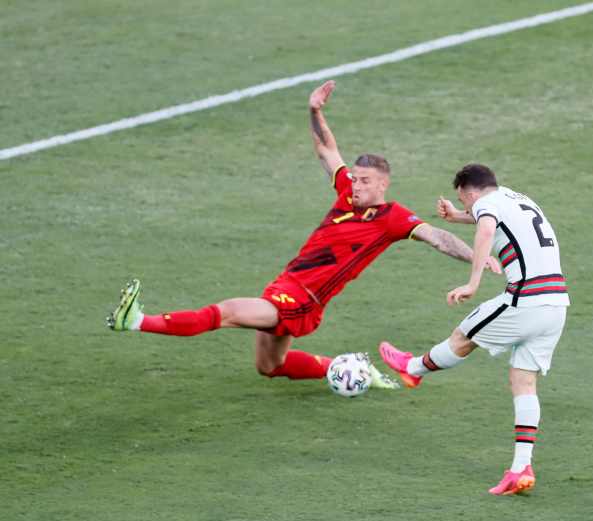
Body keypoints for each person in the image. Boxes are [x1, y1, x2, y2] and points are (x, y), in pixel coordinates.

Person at [107, 81, 499, 389]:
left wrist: (478, 260)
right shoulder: (346, 191)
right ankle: (351, 370)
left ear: (383, 184)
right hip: (286, 285)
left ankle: (138, 320)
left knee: (224, 313)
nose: (356, 184)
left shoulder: (392, 218)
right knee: (269, 367)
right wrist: (314, 111)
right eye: (356, 178)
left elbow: (439, 238)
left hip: (300, 300)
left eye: (365, 181)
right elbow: (327, 150)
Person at [378, 163, 568, 494]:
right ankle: (521, 467)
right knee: (523, 380)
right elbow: (489, 219)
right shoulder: (515, 198)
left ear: (470, 191)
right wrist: (456, 217)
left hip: (525, 301)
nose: (467, 207)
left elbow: (484, 228)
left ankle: (412, 369)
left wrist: (473, 281)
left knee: (463, 337)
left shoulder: (484, 204)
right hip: (556, 306)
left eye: (463, 201)